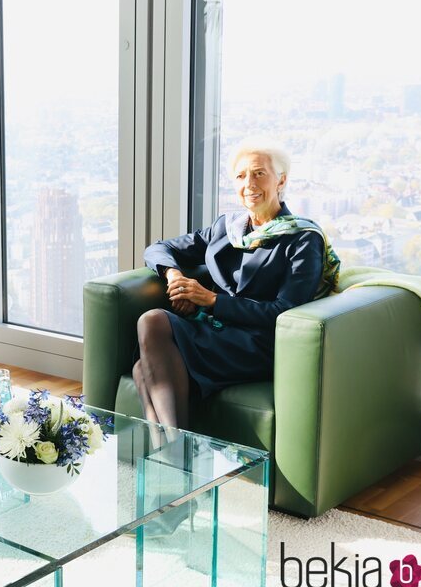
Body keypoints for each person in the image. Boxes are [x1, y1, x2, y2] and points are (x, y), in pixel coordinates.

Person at [138, 137, 338, 431]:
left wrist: (211, 300)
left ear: (281, 180)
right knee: (144, 360)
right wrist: (174, 275)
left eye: (259, 174)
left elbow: (284, 312)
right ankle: (173, 456)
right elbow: (158, 248)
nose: (250, 184)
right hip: (214, 331)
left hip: (257, 343)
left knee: (152, 329)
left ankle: (174, 453)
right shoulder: (226, 227)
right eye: (241, 176)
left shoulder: (303, 239)